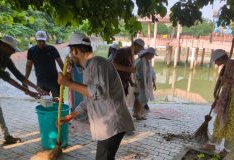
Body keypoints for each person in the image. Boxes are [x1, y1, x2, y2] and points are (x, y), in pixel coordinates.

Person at [58, 32, 135, 160]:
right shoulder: (89, 68)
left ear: (75, 50)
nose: (70, 56)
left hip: (112, 125)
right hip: (108, 127)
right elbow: (89, 99)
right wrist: (69, 116)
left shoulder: (98, 64)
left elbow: (100, 93)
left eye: (71, 52)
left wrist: (68, 83)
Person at [0, 36, 45, 150]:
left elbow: (19, 75)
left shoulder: (6, 58)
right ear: (2, 45)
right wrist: (28, 92)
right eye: (11, 49)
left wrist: (37, 88)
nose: (13, 52)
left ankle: (6, 137)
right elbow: (4, 76)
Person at [201, 49, 234, 157]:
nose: (215, 63)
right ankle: (212, 144)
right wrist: (216, 99)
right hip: (224, 99)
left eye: (215, 61)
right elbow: (222, 84)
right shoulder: (225, 67)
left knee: (230, 124)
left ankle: (227, 150)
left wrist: (229, 80)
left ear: (221, 58)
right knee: (219, 121)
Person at [25, 30, 64, 98]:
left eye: (43, 41)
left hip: (54, 81)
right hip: (40, 82)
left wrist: (65, 76)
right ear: (36, 40)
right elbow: (28, 66)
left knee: (58, 101)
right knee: (44, 103)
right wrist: (25, 79)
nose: (42, 43)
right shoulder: (31, 51)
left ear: (46, 40)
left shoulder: (52, 49)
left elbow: (60, 62)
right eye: (39, 41)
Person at [134, 47, 157, 119]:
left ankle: (140, 113)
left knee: (144, 99)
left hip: (147, 84)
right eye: (152, 55)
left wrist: (154, 83)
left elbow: (152, 74)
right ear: (148, 54)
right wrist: (140, 81)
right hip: (140, 83)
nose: (153, 57)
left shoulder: (148, 62)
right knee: (139, 99)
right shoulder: (140, 62)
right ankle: (137, 113)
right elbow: (135, 72)